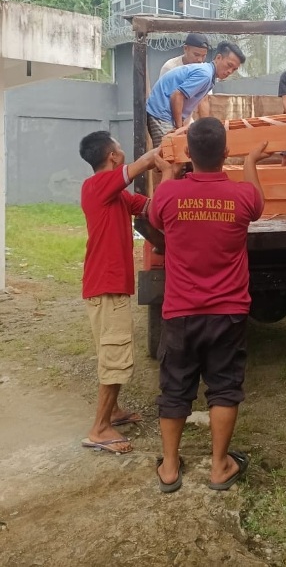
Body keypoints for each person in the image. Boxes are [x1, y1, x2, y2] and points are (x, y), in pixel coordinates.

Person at [150, 118, 269, 493]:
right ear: (225, 154)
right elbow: (258, 203)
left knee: (174, 388)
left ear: (188, 154)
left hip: (181, 311)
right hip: (227, 311)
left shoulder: (168, 196)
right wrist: (251, 162)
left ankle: (170, 467)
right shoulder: (242, 197)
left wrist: (168, 174)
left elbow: (154, 216)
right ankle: (220, 466)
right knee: (224, 388)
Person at [78, 131, 159, 454]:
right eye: (119, 147)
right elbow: (131, 172)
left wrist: (172, 176)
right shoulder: (96, 186)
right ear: (112, 156)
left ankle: (112, 412)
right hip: (106, 286)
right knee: (115, 357)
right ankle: (99, 429)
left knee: (113, 352)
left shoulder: (116, 195)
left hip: (107, 286)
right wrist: (151, 158)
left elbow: (150, 206)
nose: (123, 150)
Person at [146, 41, 245, 147]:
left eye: (234, 69)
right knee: (167, 154)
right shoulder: (205, 75)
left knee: (175, 153)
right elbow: (177, 95)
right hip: (161, 113)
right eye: (229, 65)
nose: (230, 71)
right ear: (218, 58)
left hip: (165, 113)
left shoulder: (208, 74)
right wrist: (179, 128)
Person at [160, 33, 211, 119]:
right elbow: (168, 99)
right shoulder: (170, 67)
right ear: (185, 49)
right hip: (166, 116)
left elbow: (204, 100)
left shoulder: (204, 70)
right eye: (196, 55)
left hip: (187, 118)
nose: (200, 60)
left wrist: (206, 126)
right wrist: (179, 126)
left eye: (203, 56)